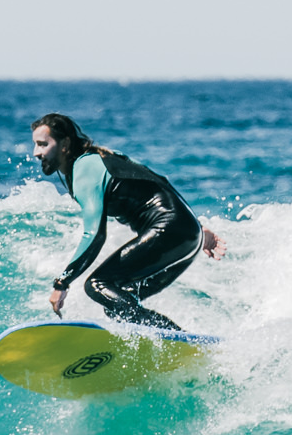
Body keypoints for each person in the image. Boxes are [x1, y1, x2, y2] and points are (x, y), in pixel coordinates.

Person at [31, 113, 226, 330]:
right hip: (183, 232)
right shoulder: (101, 157)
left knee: (97, 285)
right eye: (35, 145)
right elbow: (158, 180)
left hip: (169, 228)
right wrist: (195, 228)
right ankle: (173, 342)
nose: (36, 152)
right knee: (117, 300)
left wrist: (62, 282)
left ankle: (172, 338)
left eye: (42, 144)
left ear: (65, 143)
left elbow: (94, 234)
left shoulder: (85, 167)